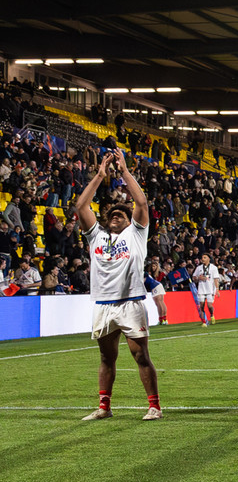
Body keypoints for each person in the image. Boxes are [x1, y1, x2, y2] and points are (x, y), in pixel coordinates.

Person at [75, 149, 162, 420]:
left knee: (140, 356)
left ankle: (154, 406)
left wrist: (123, 172)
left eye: (121, 214)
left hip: (131, 303)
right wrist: (100, 175)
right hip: (102, 304)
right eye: (112, 214)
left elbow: (142, 203)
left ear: (129, 221)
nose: (116, 216)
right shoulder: (96, 237)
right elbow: (81, 207)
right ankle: (104, 407)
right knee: (106, 358)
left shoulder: (136, 234)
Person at [192, 251, 220, 326]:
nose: (203, 259)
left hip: (210, 289)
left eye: (205, 257)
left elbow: (216, 279)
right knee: (201, 306)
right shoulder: (198, 268)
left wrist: (217, 289)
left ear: (209, 259)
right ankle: (204, 322)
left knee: (209, 306)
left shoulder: (214, 268)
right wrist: (198, 278)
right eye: (202, 258)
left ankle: (212, 315)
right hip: (201, 289)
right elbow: (194, 277)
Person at [144, 261, 168, 326]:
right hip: (158, 285)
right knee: (162, 302)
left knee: (158, 303)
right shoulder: (147, 274)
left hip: (154, 287)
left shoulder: (143, 275)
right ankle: (164, 319)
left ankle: (161, 320)